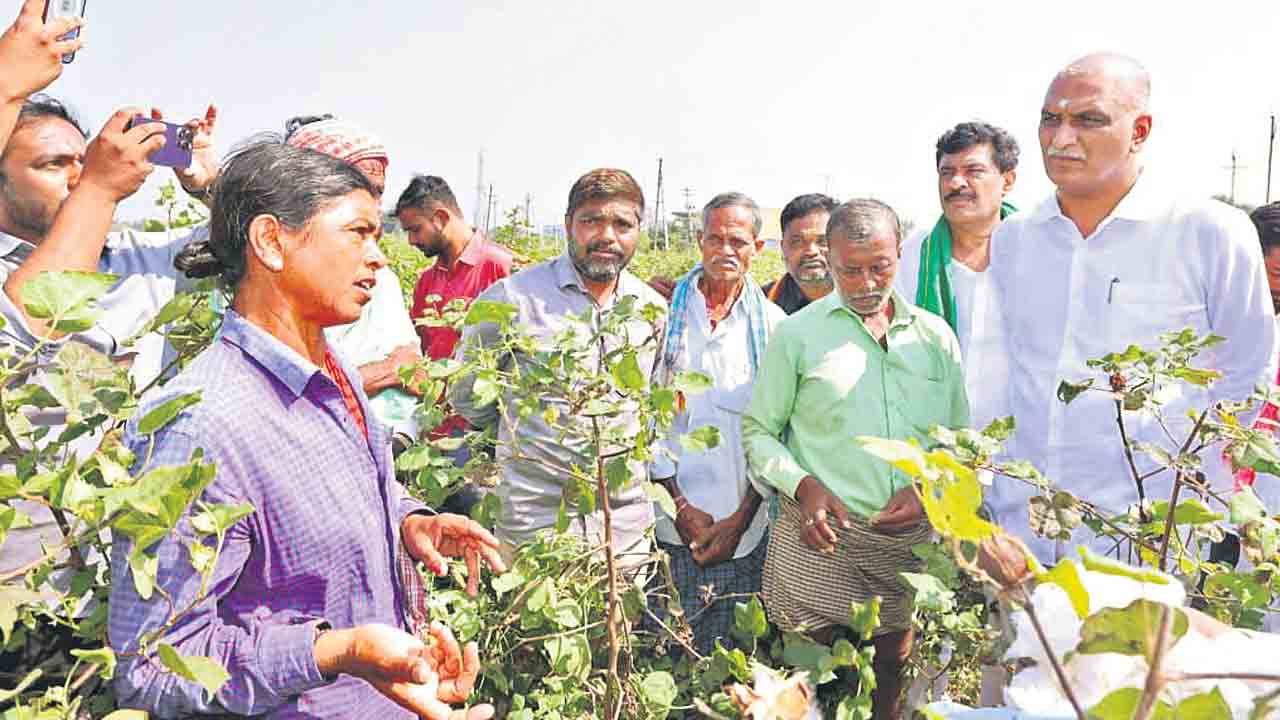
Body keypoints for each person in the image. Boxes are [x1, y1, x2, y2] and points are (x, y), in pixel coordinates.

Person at [108, 141, 503, 720]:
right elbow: (154, 667)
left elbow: (356, 488)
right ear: (271, 241)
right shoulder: (202, 425)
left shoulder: (333, 369)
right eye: (358, 233)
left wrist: (409, 521)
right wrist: (333, 652)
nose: (381, 256)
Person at [979, 53, 1276, 563]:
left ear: (1139, 131)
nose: (1060, 137)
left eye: (1087, 119)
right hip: (1028, 536)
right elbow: (999, 377)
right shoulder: (1014, 239)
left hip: (1158, 541)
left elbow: (1245, 380)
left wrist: (1185, 499)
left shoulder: (1208, 232)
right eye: (1051, 119)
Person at [744, 199, 969, 719]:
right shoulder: (798, 335)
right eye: (850, 270)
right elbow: (758, 431)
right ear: (830, 256)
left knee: (894, 665)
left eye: (880, 267)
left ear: (899, 254)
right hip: (818, 537)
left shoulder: (935, 338)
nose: (867, 283)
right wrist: (804, 487)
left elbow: (957, 439)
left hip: (906, 541)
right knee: (805, 674)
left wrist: (928, 489)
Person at [449, 168, 666, 563]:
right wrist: (525, 431)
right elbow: (468, 396)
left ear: (639, 230)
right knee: (534, 624)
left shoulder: (651, 308)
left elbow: (650, 401)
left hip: (624, 528)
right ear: (569, 225)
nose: (607, 236)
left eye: (622, 224)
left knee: (621, 624)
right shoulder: (512, 299)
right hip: (536, 521)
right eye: (591, 221)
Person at [649, 192, 784, 655]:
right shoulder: (659, 315)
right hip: (666, 523)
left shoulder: (774, 326)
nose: (726, 251)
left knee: (731, 661)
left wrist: (739, 520)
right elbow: (644, 423)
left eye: (739, 242)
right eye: (715, 238)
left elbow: (774, 433)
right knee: (667, 655)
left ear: (758, 250)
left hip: (741, 528)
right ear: (699, 240)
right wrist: (680, 506)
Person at [284, 114, 424, 447]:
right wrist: (388, 372)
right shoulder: (266, 279)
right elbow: (282, 394)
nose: (374, 208)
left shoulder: (381, 275)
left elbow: (415, 370)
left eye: (378, 194)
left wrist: (366, 376)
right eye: (361, 190)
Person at [896, 121, 1019, 429]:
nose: (955, 183)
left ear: (1007, 180)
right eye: (946, 172)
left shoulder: (1038, 251)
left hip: (1020, 452)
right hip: (933, 447)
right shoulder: (911, 255)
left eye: (973, 171)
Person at [396, 175, 511, 449]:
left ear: (440, 217)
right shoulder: (427, 281)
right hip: (435, 426)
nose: (411, 241)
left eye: (415, 229)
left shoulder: (502, 267)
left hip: (483, 433)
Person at [762, 193, 837, 315]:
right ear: (782, 248)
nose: (811, 251)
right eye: (797, 242)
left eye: (822, 241)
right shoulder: (761, 305)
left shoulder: (864, 300)